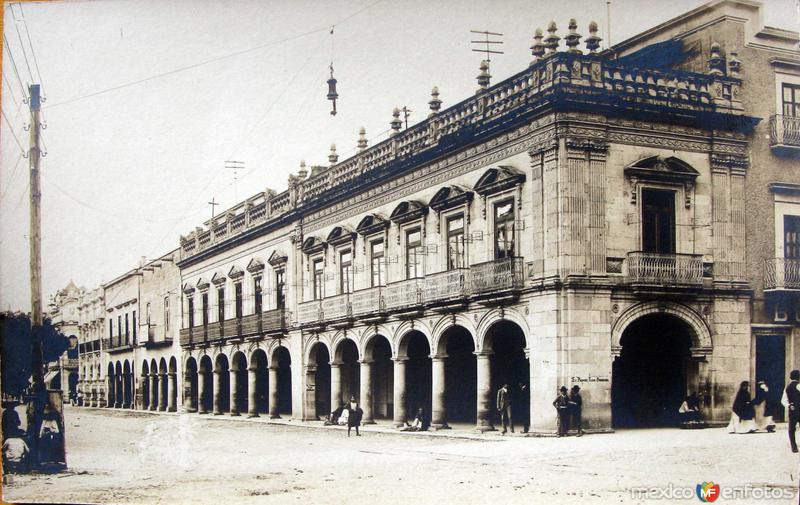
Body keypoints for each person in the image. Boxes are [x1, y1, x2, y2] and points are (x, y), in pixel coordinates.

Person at [784, 370, 800, 452]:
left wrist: (790, 405)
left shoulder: (787, 387)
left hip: (792, 410)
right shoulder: (799, 386)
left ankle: (794, 447)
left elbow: (784, 400)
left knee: (791, 429)